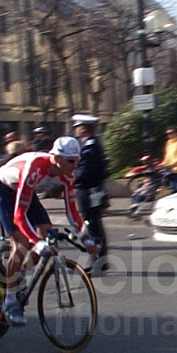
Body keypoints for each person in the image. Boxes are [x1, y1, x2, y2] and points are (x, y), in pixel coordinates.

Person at [0, 136, 98, 326]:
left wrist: (86, 239)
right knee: (22, 244)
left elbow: (72, 211)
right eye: (71, 161)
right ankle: (10, 301)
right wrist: (35, 242)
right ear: (56, 158)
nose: (75, 165)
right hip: (5, 190)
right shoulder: (35, 168)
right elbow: (19, 215)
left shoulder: (67, 175)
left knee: (48, 236)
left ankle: (20, 272)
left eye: (77, 160)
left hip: (26, 192)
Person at [72, 115, 108, 271]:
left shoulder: (90, 146)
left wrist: (69, 178)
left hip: (88, 190)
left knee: (92, 226)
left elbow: (83, 172)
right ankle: (100, 261)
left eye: (78, 127)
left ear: (84, 128)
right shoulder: (89, 144)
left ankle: (98, 262)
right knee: (94, 225)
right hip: (91, 190)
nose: (76, 130)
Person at [159, 126, 177, 193]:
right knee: (172, 187)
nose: (169, 135)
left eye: (171, 133)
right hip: (170, 169)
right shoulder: (168, 142)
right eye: (167, 134)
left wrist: (171, 164)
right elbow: (167, 155)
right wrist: (163, 164)